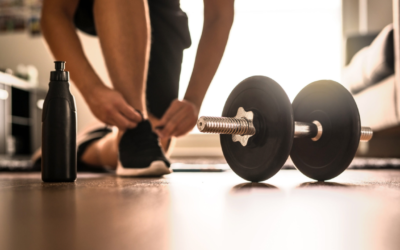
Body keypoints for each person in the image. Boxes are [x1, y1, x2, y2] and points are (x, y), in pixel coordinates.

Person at [39, 0, 234, 176]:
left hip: (162, 7)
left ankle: (84, 145)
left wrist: (194, 99)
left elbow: (219, 14)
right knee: (139, 144)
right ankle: (134, 128)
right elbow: (55, 12)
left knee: (158, 137)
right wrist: (92, 91)